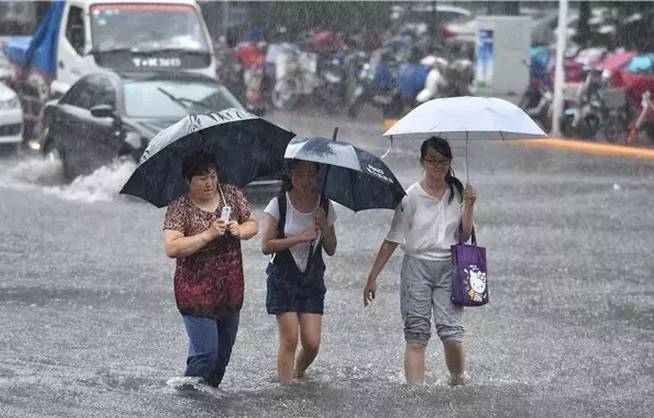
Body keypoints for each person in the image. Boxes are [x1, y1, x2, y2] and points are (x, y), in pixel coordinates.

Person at [363, 136, 478, 386]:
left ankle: (458, 382)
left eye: (443, 161)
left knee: (451, 332)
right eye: (432, 161)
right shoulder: (410, 196)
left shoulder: (458, 193)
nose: (438, 167)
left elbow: (464, 235)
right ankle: (416, 395)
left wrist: (469, 206)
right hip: (416, 268)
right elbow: (393, 237)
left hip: (450, 267)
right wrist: (373, 276)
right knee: (416, 334)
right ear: (422, 162)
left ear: (450, 162)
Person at [162, 150, 258, 388]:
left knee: (222, 357)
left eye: (213, 176)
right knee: (206, 355)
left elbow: (253, 223)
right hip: (195, 292)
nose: (209, 183)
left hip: (230, 290)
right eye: (202, 178)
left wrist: (240, 230)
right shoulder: (179, 207)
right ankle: (185, 397)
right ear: (188, 181)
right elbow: (172, 247)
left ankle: (207, 403)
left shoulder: (231, 195)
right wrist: (207, 235)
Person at [261, 160, 338, 384]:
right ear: (290, 174)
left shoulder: (324, 205)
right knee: (290, 338)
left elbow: (331, 248)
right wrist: (299, 238)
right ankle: (286, 390)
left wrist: (324, 224)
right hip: (283, 278)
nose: (306, 180)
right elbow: (266, 246)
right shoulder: (279, 204)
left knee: (312, 343)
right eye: (300, 174)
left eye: (311, 174)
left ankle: (297, 372)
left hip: (312, 280)